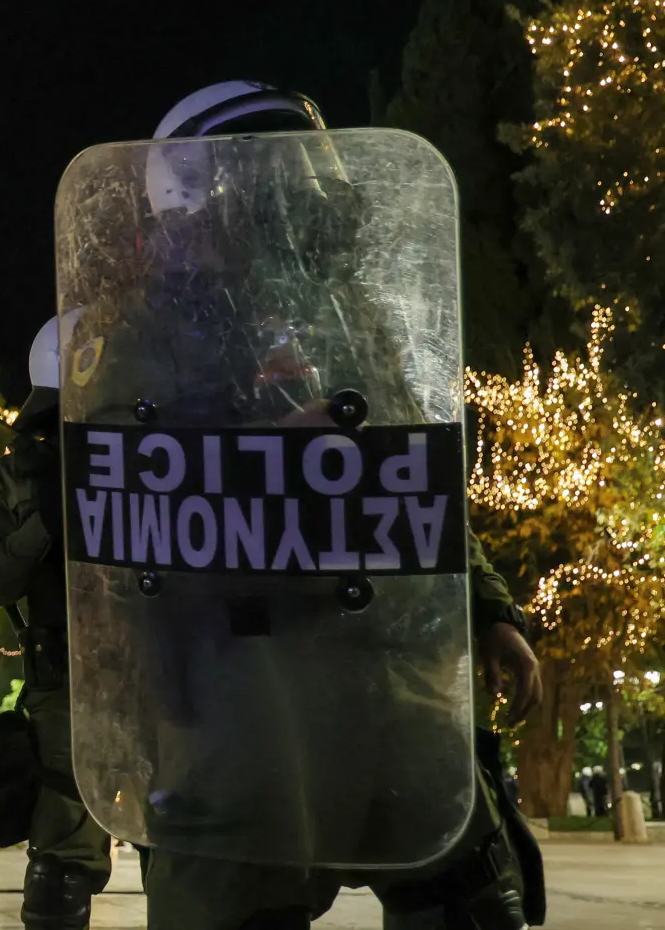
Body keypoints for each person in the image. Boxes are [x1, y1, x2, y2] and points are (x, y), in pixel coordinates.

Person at [79, 82, 546, 929]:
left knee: (477, 905)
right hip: (241, 695)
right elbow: (123, 531)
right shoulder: (135, 337)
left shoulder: (346, 316)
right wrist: (265, 465)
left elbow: (415, 472)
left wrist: (487, 607)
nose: (295, 197)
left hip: (383, 677)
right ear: (200, 190)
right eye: (274, 178)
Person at [0, 312, 115, 929]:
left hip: (169, 675)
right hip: (67, 686)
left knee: (192, 850)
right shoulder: (23, 472)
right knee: (63, 857)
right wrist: (44, 525)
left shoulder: (169, 446)